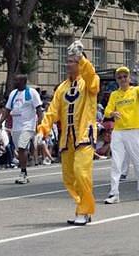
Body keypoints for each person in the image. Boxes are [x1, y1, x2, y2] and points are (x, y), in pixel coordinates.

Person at [38, 40, 100, 226]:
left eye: (72, 61)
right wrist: (43, 130)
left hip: (84, 136)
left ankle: (83, 211)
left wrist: (81, 57)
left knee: (81, 173)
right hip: (67, 140)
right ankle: (83, 206)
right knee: (69, 178)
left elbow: (92, 79)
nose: (68, 64)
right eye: (68, 61)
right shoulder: (62, 88)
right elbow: (52, 111)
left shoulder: (89, 82)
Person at [103, 62, 139, 204]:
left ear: (129, 78)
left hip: (134, 130)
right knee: (116, 163)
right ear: (117, 80)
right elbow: (107, 111)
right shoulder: (114, 94)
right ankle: (114, 193)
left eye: (125, 76)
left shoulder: (136, 91)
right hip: (118, 131)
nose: (123, 79)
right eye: (120, 77)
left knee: (137, 161)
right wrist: (112, 113)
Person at [0, 74, 44, 184]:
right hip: (16, 126)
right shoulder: (13, 94)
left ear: (23, 81)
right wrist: (0, 122)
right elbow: (7, 109)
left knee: (22, 147)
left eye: (17, 80)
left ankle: (23, 173)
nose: (14, 82)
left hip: (28, 126)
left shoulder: (32, 93)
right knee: (20, 150)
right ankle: (25, 163)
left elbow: (39, 109)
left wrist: (40, 124)